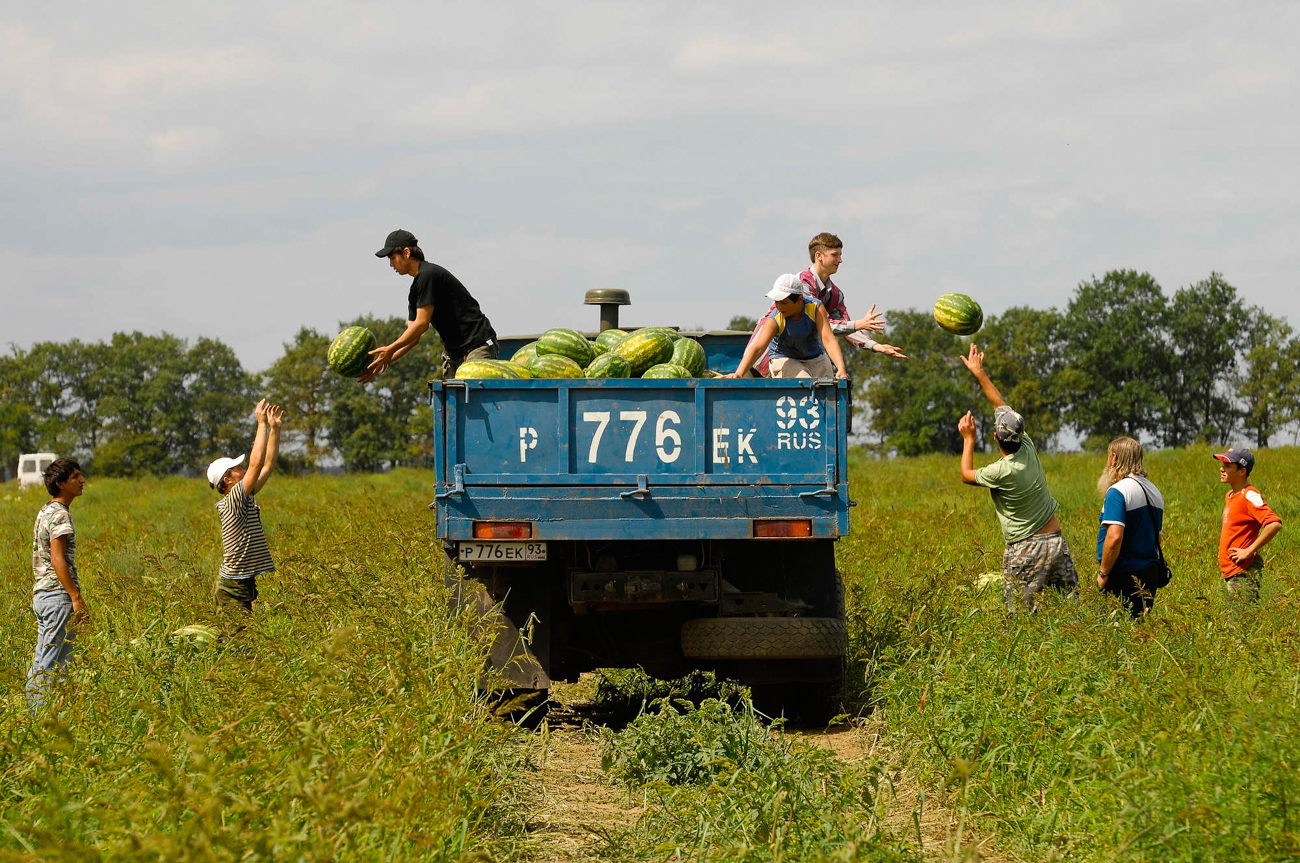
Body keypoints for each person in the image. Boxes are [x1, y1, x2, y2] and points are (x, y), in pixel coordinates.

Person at [957, 344, 1077, 612]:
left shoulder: (1000, 471)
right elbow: (1001, 405)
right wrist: (980, 372)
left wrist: (968, 439)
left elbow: (966, 475)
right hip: (1056, 542)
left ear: (995, 437)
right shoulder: (1028, 447)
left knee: (1023, 618)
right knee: (1068, 614)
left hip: (1025, 550)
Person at [745, 232, 907, 376]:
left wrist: (875, 346)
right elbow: (825, 325)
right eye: (835, 255)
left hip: (804, 356)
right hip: (769, 357)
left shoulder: (835, 294)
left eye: (840, 255)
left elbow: (845, 327)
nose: (840, 260)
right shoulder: (801, 285)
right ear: (819, 256)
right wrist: (858, 324)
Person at [363, 229, 499, 381]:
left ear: (406, 253)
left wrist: (390, 348)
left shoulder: (428, 275)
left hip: (477, 345)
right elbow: (414, 337)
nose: (391, 264)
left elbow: (422, 324)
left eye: (393, 257)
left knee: (471, 398)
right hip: (454, 353)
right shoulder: (415, 290)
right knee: (451, 403)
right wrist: (382, 361)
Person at [207, 400, 284, 612]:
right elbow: (256, 464)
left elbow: (267, 464)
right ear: (227, 481)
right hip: (232, 587)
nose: (243, 471)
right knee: (239, 642)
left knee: (236, 641)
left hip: (241, 583)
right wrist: (261, 423)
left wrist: (274, 429)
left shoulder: (244, 497)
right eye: (237, 469)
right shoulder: (233, 500)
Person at [27, 458, 88, 710]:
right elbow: (57, 558)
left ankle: (53, 713)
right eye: (75, 477)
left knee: (48, 659)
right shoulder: (60, 514)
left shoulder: (45, 511)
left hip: (43, 595)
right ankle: (37, 718)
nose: (82, 480)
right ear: (61, 484)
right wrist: (75, 596)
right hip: (57, 596)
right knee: (50, 663)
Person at [726, 274, 850, 379]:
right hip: (784, 359)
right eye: (776, 302)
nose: (779, 306)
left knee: (829, 389)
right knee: (805, 384)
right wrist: (739, 374)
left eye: (784, 303)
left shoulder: (815, 308)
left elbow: (828, 340)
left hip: (815, 357)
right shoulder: (775, 319)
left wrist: (841, 369)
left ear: (800, 299)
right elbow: (758, 348)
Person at [1096, 437, 1166, 619]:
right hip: (1149, 574)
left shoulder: (1118, 491)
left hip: (1123, 575)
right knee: (1139, 633)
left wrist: (1103, 573)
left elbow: (1115, 536)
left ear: (1114, 458)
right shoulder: (1154, 491)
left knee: (1114, 636)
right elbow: (1157, 538)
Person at [1214, 446, 1282, 602]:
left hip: (1243, 573)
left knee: (1237, 625)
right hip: (1231, 573)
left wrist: (1249, 551)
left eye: (1228, 465)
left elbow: (1274, 523)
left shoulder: (1250, 495)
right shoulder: (1230, 495)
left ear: (1241, 471)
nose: (1221, 469)